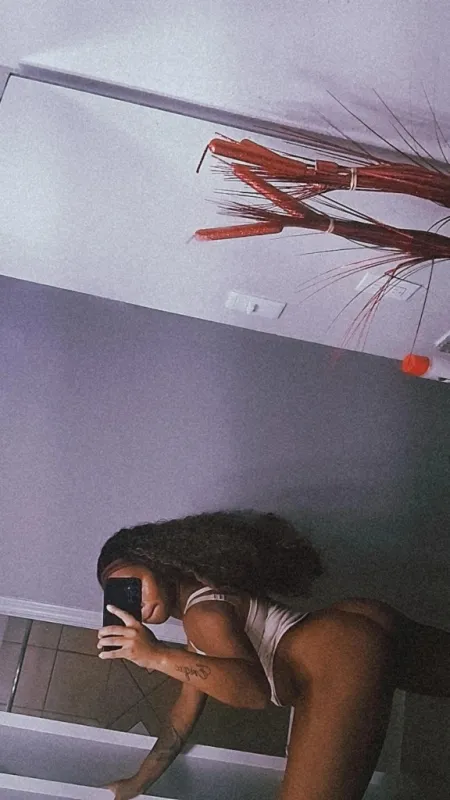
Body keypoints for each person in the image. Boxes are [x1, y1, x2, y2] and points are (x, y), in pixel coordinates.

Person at [96, 510, 450, 800]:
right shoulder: (203, 596)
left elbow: (254, 693)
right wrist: (138, 782)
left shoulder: (201, 616)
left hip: (337, 659)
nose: (139, 606)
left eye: (135, 586)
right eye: (126, 598)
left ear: (156, 562)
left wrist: (156, 655)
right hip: (351, 625)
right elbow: (182, 714)